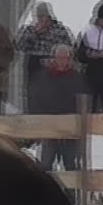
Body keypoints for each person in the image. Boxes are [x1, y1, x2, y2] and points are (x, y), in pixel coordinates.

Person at [27, 43, 87, 171]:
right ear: (53, 58)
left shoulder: (77, 78)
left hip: (70, 127)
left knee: (71, 164)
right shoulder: (41, 77)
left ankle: (71, 190)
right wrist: (40, 119)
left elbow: (83, 101)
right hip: (48, 125)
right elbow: (34, 100)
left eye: (65, 57)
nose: (62, 61)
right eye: (59, 57)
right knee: (45, 164)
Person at [14, 1, 75, 109]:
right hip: (34, 65)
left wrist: (55, 59)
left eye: (44, 16)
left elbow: (69, 48)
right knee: (34, 96)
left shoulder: (59, 29)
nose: (42, 19)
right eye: (39, 16)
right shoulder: (29, 30)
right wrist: (35, 33)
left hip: (54, 67)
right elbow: (20, 46)